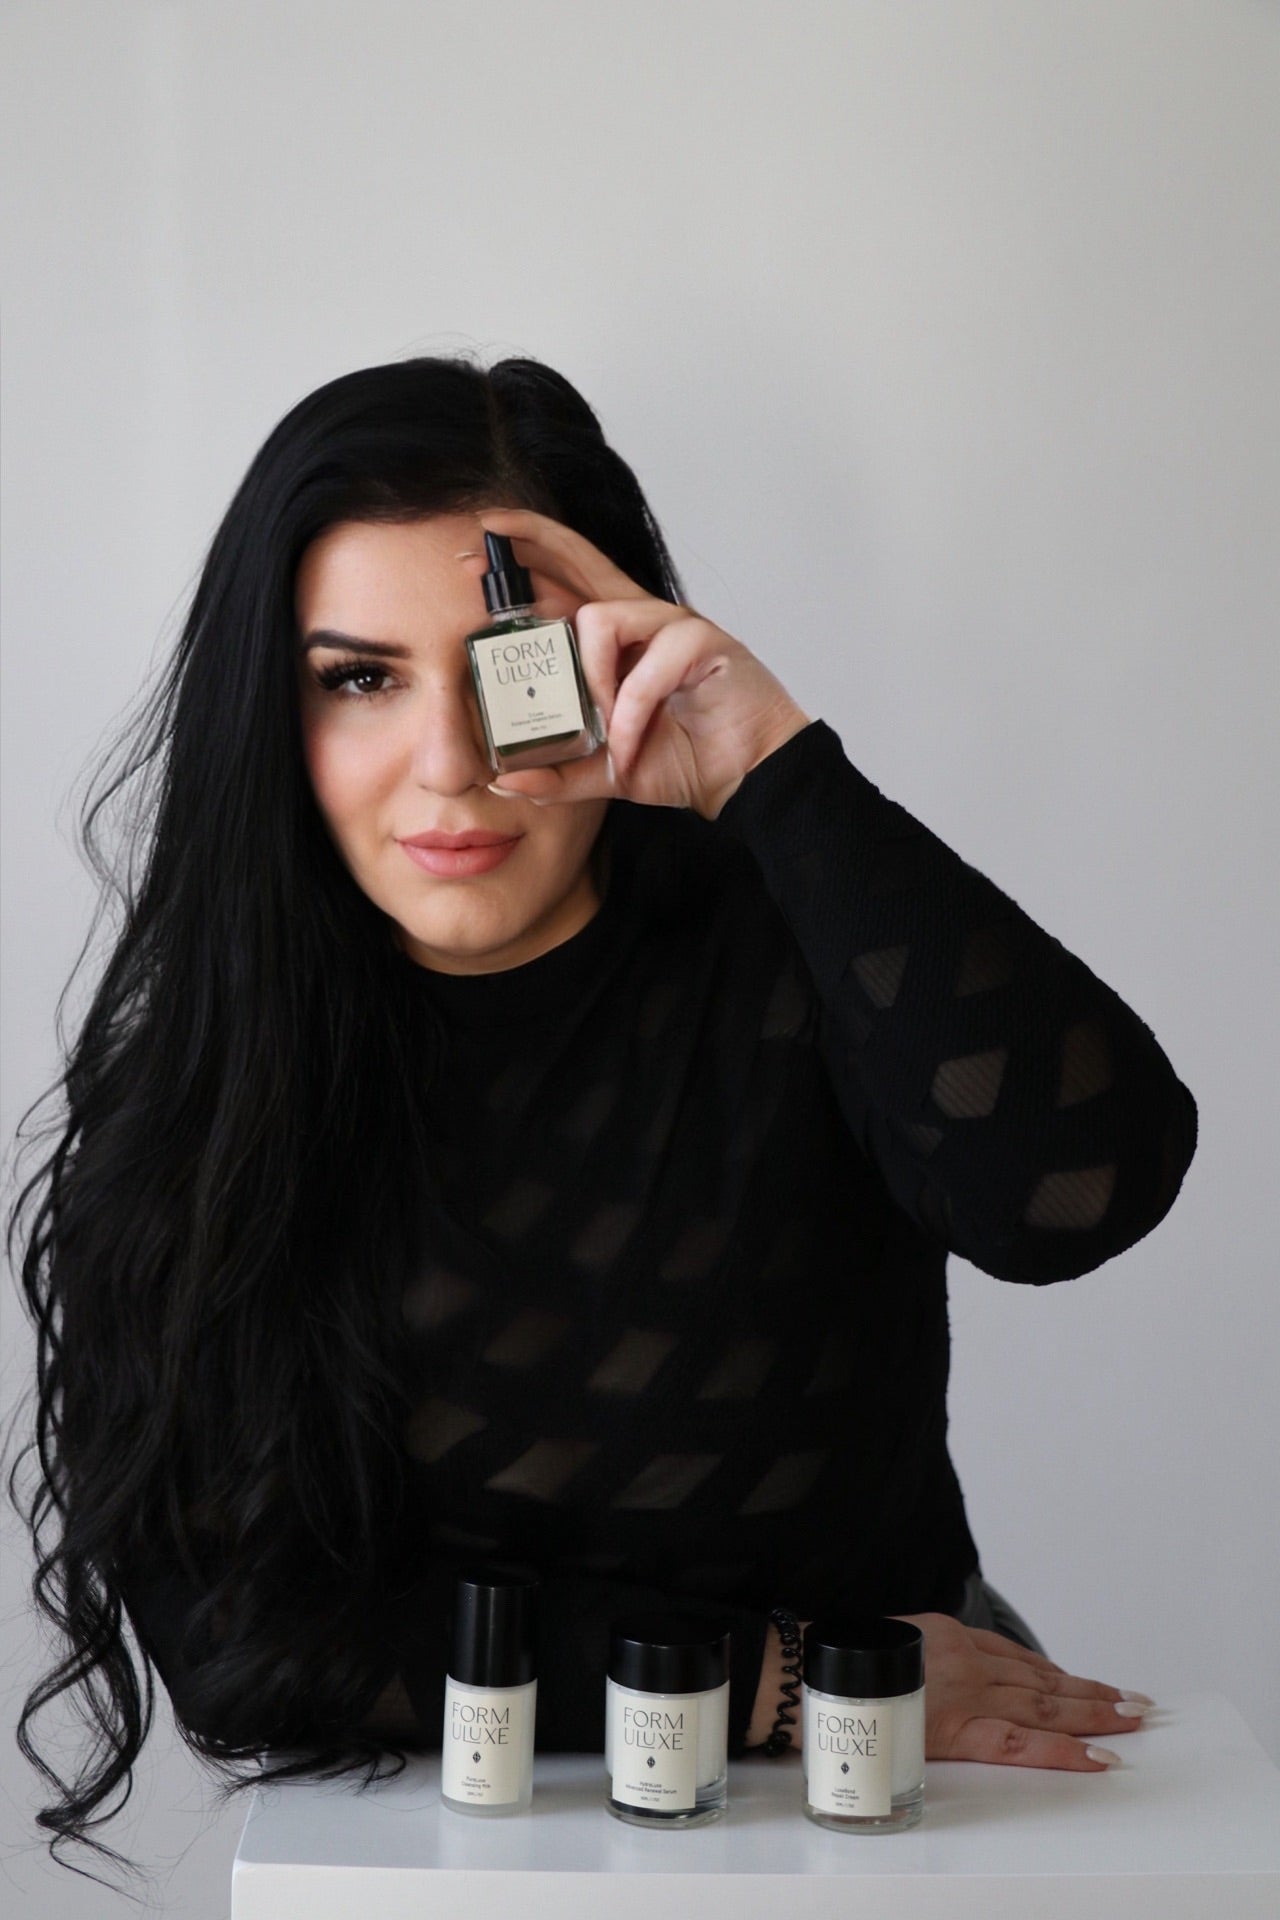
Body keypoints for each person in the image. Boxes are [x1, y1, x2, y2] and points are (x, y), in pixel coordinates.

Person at [7, 352, 1195, 1887]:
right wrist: (764, 1682)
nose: (449, 766)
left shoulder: (804, 942)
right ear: (268, 712)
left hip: (882, 1800)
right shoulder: (207, 1085)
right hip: (519, 1809)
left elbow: (1081, 1193)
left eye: (504, 667)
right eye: (359, 680)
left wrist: (772, 767)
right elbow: (244, 1645)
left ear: (613, 659)